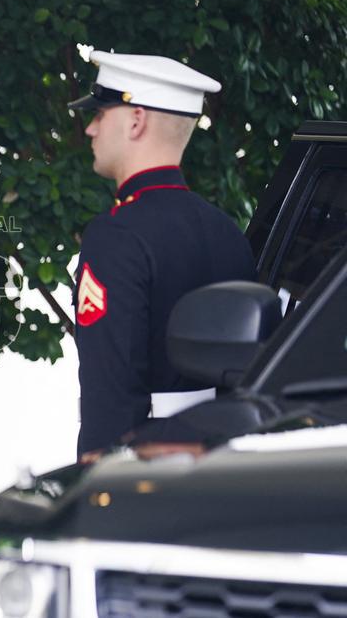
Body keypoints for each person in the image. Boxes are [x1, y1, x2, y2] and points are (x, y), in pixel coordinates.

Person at [67, 51, 257, 457]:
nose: (90, 129)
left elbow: (112, 392)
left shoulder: (116, 236)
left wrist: (95, 483)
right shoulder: (227, 233)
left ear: (136, 120)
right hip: (225, 455)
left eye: (100, 113)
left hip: (143, 462)